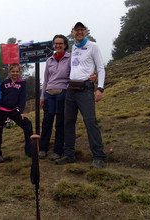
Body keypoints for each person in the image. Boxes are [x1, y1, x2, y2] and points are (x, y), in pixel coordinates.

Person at [55, 22, 107, 168]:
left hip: (85, 89)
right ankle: (69, 154)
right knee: (68, 122)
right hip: (71, 89)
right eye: (76, 30)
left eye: (81, 30)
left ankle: (99, 156)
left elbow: (101, 68)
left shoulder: (93, 46)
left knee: (90, 122)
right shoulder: (73, 47)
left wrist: (100, 88)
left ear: (86, 31)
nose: (79, 32)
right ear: (72, 32)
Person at [38, 34, 71, 161]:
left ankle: (58, 151)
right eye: (56, 43)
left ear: (65, 45)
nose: (58, 45)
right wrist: (42, 96)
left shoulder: (70, 58)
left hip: (63, 92)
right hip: (49, 94)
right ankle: (43, 149)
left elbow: (72, 75)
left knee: (60, 123)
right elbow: (46, 79)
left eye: (60, 43)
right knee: (47, 122)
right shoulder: (49, 60)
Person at [0, 63, 33, 162]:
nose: (15, 73)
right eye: (13, 71)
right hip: (1, 109)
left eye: (17, 71)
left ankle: (29, 150)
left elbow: (22, 98)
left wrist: (21, 111)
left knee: (27, 125)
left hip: (14, 110)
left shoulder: (22, 83)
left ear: (20, 72)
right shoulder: (4, 83)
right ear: (9, 72)